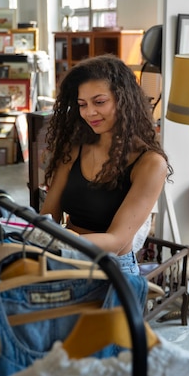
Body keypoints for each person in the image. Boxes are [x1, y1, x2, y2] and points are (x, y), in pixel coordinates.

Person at [39, 55, 172, 275]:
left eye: (99, 102)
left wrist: (61, 239)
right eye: (82, 105)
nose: (89, 112)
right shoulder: (74, 148)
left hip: (113, 269)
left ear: (124, 100)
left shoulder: (150, 164)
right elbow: (49, 214)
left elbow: (116, 240)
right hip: (65, 255)